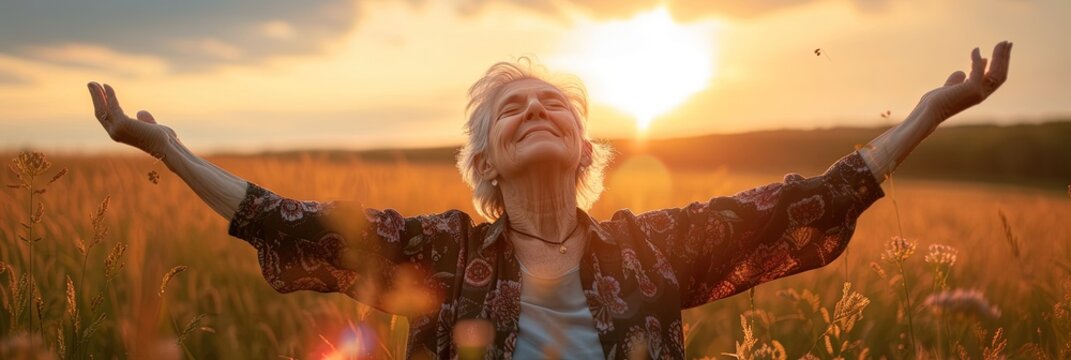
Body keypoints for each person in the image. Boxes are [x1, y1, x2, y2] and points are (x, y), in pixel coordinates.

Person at [87, 41, 1012, 359]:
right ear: (484, 163)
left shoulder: (657, 248)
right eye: (509, 111)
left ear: (581, 150)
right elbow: (278, 218)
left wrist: (929, 112)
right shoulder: (440, 254)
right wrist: (164, 147)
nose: (534, 113)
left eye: (551, 106)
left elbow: (809, 200)